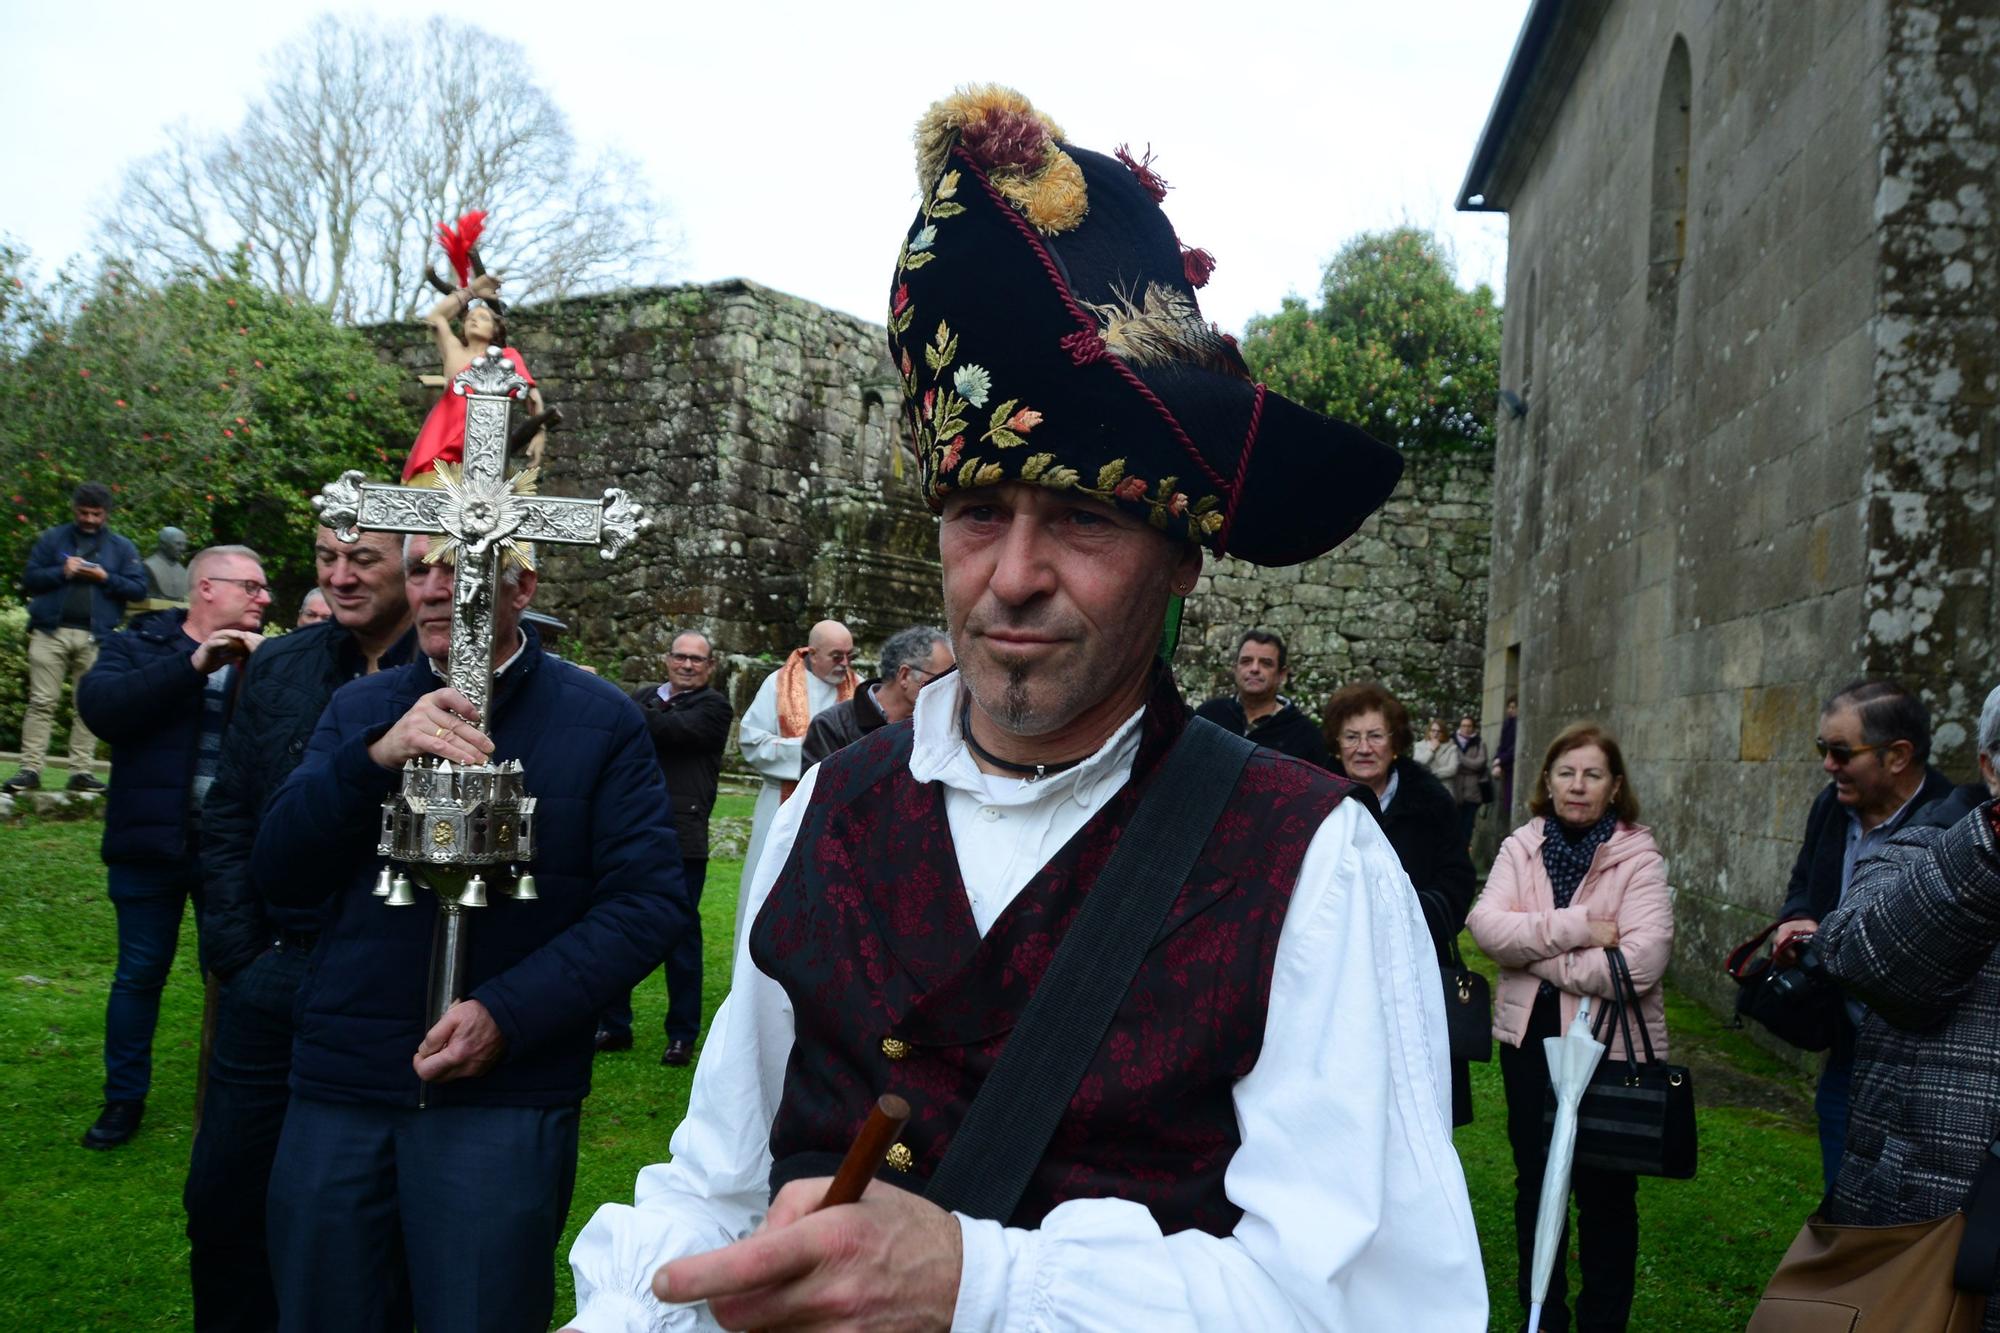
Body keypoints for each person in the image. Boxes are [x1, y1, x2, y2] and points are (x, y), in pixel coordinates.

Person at [563, 85, 1483, 1331]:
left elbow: (1379, 1304)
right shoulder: (827, 805)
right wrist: (643, 1305)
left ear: (1180, 558)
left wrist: (983, 1282)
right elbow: (717, 1176)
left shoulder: (1310, 859)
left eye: (1084, 519)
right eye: (978, 514)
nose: (1012, 575)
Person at [249, 532, 688, 1332]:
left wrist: (507, 1014)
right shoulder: (360, 708)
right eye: (421, 568)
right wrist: (374, 756)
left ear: (522, 588)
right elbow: (279, 872)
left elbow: (647, 904)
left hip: (503, 1099)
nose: (437, 587)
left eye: (465, 567)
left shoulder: (600, 720)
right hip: (343, 1085)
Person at [181, 525, 414, 1332]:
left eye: (363, 560)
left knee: (361, 1213)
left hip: (385, 987)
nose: (340, 577)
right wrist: (240, 955)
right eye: (325, 559)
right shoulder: (279, 666)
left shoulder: (454, 673)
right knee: (226, 1198)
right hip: (273, 971)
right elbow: (230, 816)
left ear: (412, 566)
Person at [1467, 721, 1671, 1333]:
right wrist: (1579, 926)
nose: (1577, 786)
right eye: (1566, 773)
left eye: (1592, 775)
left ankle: (1602, 1323)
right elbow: (1486, 927)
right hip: (1532, 1044)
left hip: (1609, 1048)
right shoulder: (1519, 848)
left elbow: (1641, 962)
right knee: (1536, 1183)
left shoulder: (1639, 856)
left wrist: (1534, 955)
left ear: (1615, 787)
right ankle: (1544, 1317)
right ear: (1547, 781)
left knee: (1606, 1194)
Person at [72, 544, 272, 1148]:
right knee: (139, 975)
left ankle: (230, 1101)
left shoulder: (268, 659)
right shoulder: (140, 643)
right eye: (253, 587)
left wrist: (265, 668)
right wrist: (194, 661)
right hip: (149, 845)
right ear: (207, 588)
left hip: (230, 853)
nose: (265, 598)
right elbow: (102, 709)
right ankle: (122, 1102)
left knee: (236, 974)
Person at [1815, 684, 2000, 1330]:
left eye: (1841, 749)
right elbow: (1861, 953)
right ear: (1990, 767)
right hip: (1933, 1219)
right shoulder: (1931, 845)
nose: (1829, 765)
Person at [1770, 678, 1955, 1191]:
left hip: (1924, 1064)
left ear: (1897, 756)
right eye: (1821, 748)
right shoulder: (1830, 807)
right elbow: (1804, 882)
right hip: (1847, 1053)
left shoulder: (1954, 823)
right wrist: (1797, 918)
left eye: (1840, 751)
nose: (1828, 764)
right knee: (1841, 1200)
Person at [1323, 682, 1478, 1125]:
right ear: (1337, 743)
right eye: (1351, 736)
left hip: (1413, 969)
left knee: (1411, 1105)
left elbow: (1457, 880)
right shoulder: (1314, 798)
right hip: (1335, 971)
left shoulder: (1431, 803)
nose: (1364, 748)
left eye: (1376, 735)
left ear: (1396, 743)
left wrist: (1412, 916)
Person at [599, 630, 734, 1067]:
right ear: (667, 660)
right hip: (631, 827)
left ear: (710, 667)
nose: (688, 665)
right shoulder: (642, 698)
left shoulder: (714, 707)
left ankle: (681, 1036)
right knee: (616, 924)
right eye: (681, 657)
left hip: (683, 835)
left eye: (698, 659)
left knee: (679, 937)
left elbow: (675, 731)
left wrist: (616, 703)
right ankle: (614, 1025)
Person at [7, 482, 146, 794]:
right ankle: (30, 769)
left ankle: (81, 771)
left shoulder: (122, 548)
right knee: (41, 702)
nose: (90, 519)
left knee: (89, 704)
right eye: (84, 513)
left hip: (96, 635)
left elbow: (138, 589)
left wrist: (105, 577)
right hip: (49, 631)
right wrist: (62, 570)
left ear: (106, 514)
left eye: (96, 514)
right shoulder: (52, 539)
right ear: (74, 510)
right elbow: (30, 578)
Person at [731, 619, 857, 948]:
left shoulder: (857, 691)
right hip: (780, 803)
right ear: (812, 653)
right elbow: (752, 741)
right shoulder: (778, 685)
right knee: (769, 890)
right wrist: (813, 753)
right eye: (836, 656)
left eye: (849, 656)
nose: (844, 664)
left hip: (839, 814)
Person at [404, 269, 550, 483]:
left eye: (482, 317)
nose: (474, 320)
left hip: (481, 452)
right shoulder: (454, 351)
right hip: (438, 443)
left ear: (495, 331)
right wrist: (471, 291)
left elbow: (532, 395)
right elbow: (435, 317)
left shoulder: (506, 357)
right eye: (470, 317)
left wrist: (540, 433)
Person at [800, 625, 954, 767]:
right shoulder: (831, 727)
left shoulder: (939, 725)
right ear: (905, 676)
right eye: (941, 679)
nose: (949, 688)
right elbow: (819, 794)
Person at [1193, 628, 1329, 766]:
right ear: (1235, 669)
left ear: (1282, 674)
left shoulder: (1305, 736)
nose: (1254, 669)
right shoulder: (1208, 716)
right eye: (1246, 661)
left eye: (1266, 663)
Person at [1445, 713, 1489, 847]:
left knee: (1467, 828)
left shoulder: (1479, 743)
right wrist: (1469, 766)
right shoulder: (1451, 741)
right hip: (1454, 791)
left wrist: (1461, 760)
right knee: (1452, 827)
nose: (1466, 728)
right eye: (1464, 725)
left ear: (1473, 727)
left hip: (1472, 792)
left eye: (1469, 726)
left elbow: (1480, 764)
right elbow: (1452, 765)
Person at [143, 526, 192, 604]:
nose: (183, 548)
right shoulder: (148, 566)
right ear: (163, 544)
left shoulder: (183, 571)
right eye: (178, 544)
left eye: (184, 544)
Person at [1493, 696, 1519, 814]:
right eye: (1509, 707)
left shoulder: (1517, 725)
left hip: (1515, 767)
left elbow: (1516, 747)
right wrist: (1498, 759)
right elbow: (1502, 745)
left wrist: (1500, 760)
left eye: (1513, 707)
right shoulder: (1507, 724)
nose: (1510, 710)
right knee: (1508, 803)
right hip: (1507, 768)